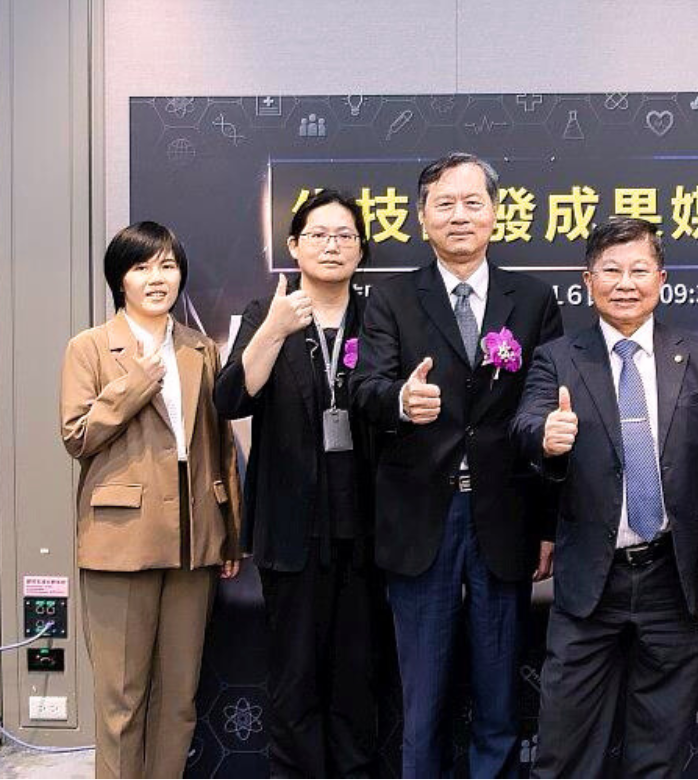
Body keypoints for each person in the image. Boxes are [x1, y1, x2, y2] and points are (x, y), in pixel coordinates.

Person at [348, 152, 562, 777]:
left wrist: (547, 524)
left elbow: (545, 406)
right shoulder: (389, 299)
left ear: (496, 214)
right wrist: (399, 401)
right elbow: (366, 389)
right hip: (420, 519)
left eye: (473, 202)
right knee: (425, 697)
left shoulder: (532, 299)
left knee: (498, 695)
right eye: (445, 204)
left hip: (504, 514)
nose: (460, 215)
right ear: (421, 218)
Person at [512, 216, 698, 778]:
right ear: (587, 281)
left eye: (639, 269)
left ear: (661, 279)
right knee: (564, 751)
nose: (626, 282)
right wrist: (545, 437)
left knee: (658, 752)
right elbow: (525, 423)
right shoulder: (558, 357)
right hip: (590, 580)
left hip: (675, 575)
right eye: (611, 270)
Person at [59, 222, 241, 778]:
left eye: (166, 266)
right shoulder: (90, 347)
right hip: (121, 541)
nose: (156, 278)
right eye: (141, 268)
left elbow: (221, 444)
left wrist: (230, 530)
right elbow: (77, 435)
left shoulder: (199, 348)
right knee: (121, 703)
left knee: (180, 699)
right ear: (121, 280)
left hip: (194, 539)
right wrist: (134, 384)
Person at [214, 190, 379, 777]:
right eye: (318, 235)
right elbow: (230, 398)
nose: (332, 245)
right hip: (290, 528)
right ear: (293, 246)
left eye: (344, 235)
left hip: (366, 532)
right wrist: (274, 331)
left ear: (362, 249)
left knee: (358, 683)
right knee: (294, 682)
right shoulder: (268, 313)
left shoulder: (381, 316)